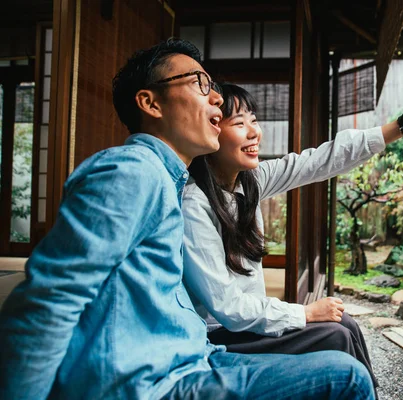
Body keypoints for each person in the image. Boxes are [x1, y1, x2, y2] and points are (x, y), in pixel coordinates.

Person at [0, 39, 375, 400]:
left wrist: (399, 127)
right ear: (151, 103)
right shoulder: (133, 171)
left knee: (338, 345)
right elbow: (49, 300)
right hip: (158, 381)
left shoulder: (172, 180)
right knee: (345, 375)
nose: (215, 97)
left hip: (195, 356)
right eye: (198, 83)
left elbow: (311, 162)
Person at [182, 84, 403, 388]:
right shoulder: (194, 204)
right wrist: (304, 312)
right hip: (219, 338)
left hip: (248, 326)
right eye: (239, 123)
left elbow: (319, 160)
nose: (254, 132)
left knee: (344, 324)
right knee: (335, 333)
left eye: (253, 120)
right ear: (211, 132)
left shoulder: (249, 183)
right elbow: (229, 308)